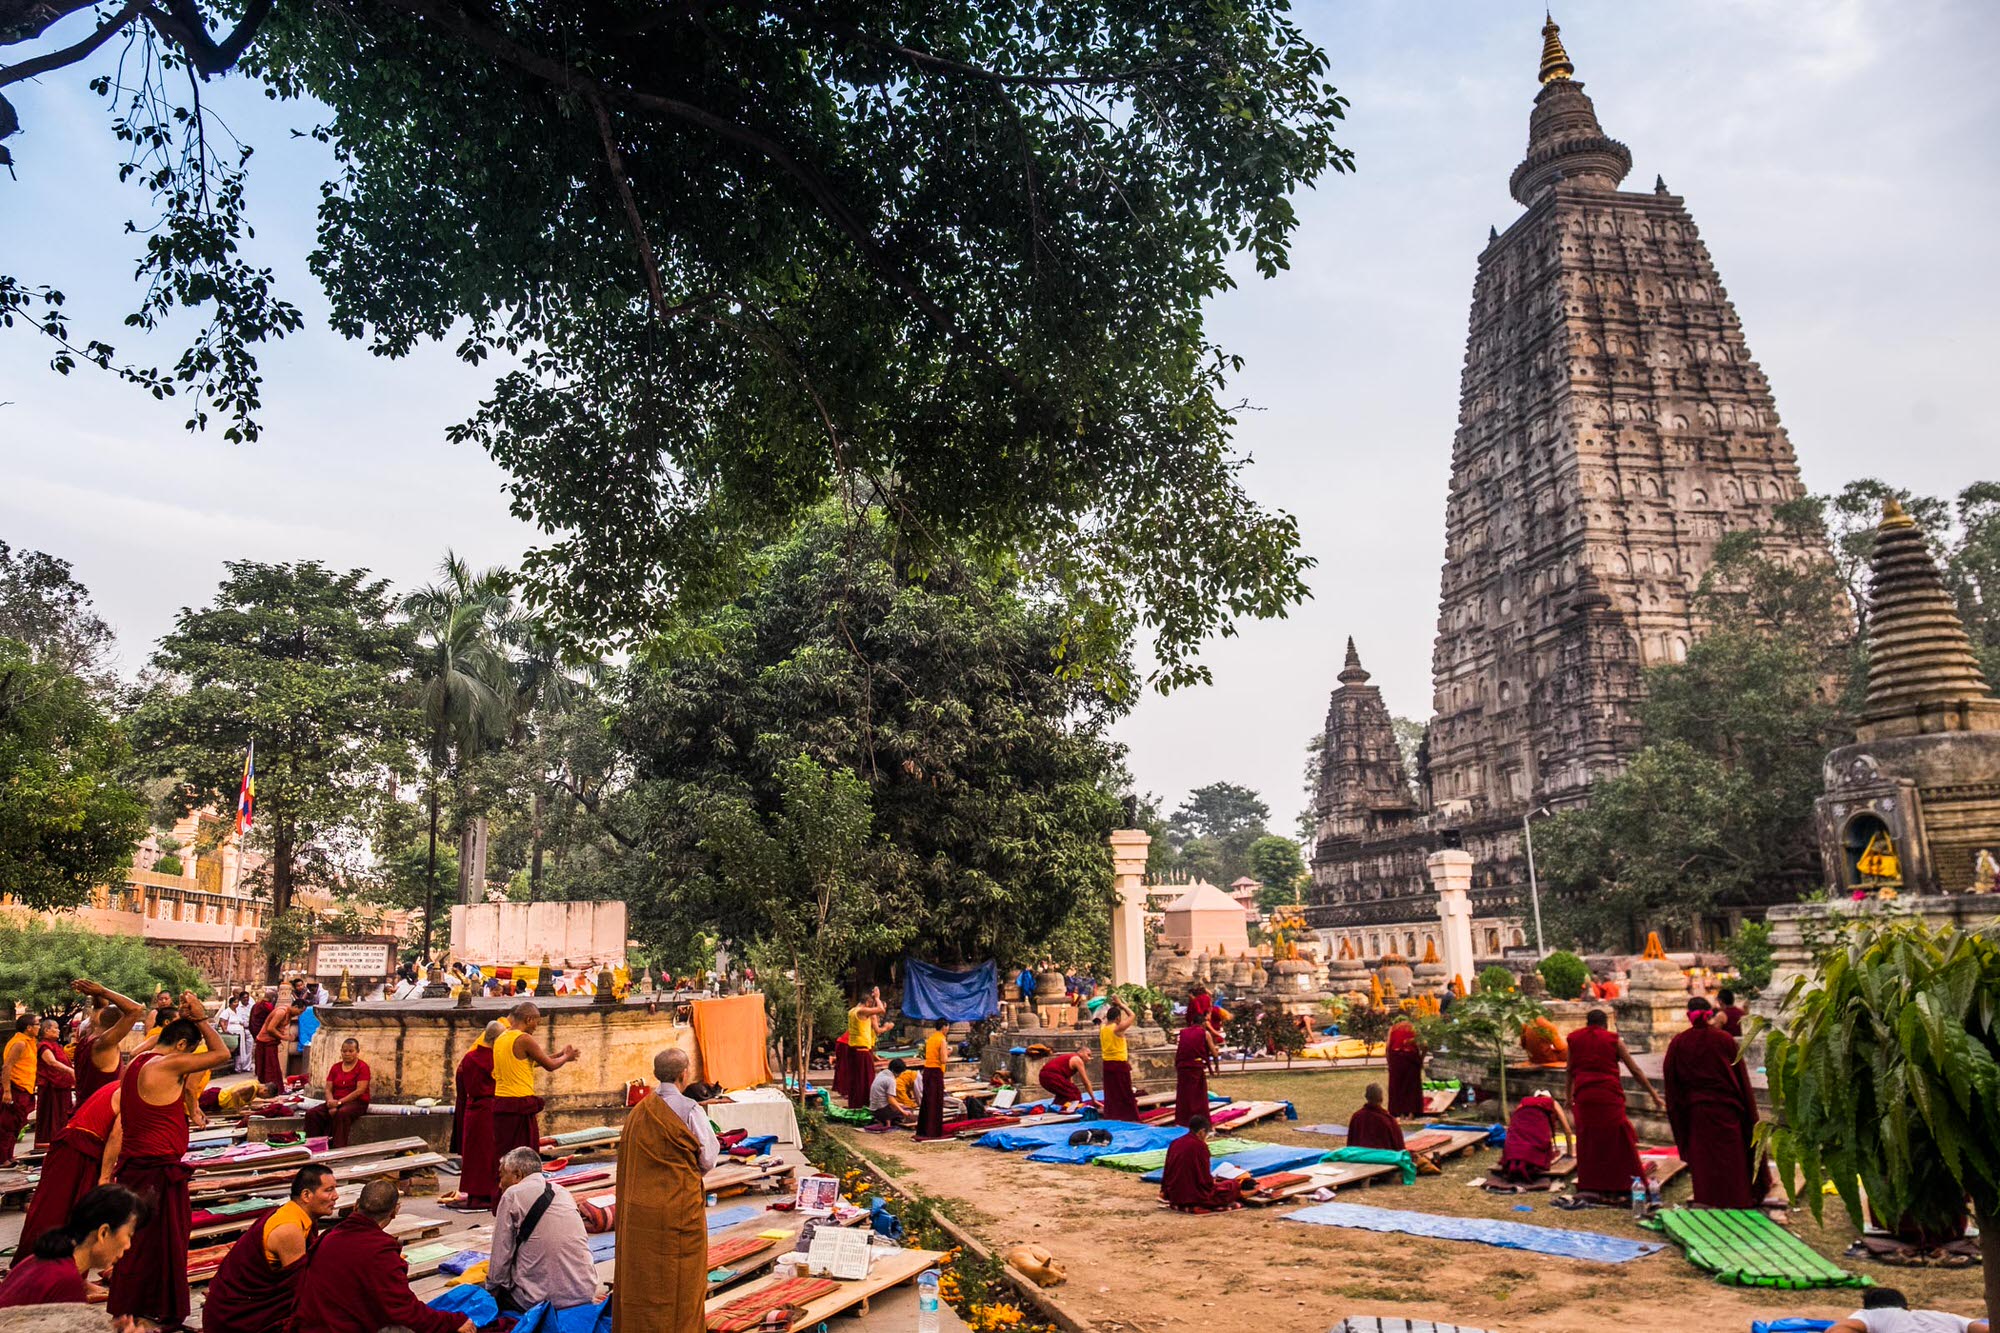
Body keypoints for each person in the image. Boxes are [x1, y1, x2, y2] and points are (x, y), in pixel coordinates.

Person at [107, 995, 233, 1328]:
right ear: (180, 1045)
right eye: (188, 1051)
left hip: (136, 1168)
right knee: (163, 1246)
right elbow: (223, 1054)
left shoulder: (137, 1061)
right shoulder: (168, 1063)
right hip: (156, 1173)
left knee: (136, 1243)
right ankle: (158, 1313)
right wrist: (203, 1019)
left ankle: (133, 1308)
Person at [614, 1047, 718, 1333]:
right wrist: (684, 1174)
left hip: (639, 1215)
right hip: (679, 1212)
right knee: (681, 1283)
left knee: (642, 1279)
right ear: (684, 1074)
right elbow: (708, 1157)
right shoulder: (690, 1109)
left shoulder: (639, 1112)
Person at [293, 1178, 471, 1333]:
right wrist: (453, 1322)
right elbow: (405, 1312)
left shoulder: (329, 1237)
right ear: (395, 1211)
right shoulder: (380, 1252)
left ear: (356, 1206)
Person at [201, 1163, 340, 1333]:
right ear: (306, 1195)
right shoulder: (289, 1228)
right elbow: (298, 1290)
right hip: (237, 1318)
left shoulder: (295, 1214)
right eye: (329, 1190)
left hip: (244, 1307)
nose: (336, 1196)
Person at [1663, 996, 1763, 1208]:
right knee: (1730, 1157)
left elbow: (1672, 1083)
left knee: (1705, 1159)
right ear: (1710, 1013)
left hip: (1697, 1111)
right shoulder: (1724, 1039)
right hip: (1727, 1109)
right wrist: (1749, 1112)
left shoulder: (1678, 1043)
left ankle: (1707, 1198)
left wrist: (1678, 1112)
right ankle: (1737, 1198)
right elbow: (1741, 1078)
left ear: (1687, 1015)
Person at [14, 1080, 122, 1262]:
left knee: (63, 1211)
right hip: (78, 1148)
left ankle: (69, 1270)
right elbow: (117, 1134)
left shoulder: (122, 1085)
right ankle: (38, 1266)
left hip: (80, 1145)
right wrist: (105, 1177)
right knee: (57, 1213)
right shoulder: (132, 1092)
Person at [1566, 1009, 1665, 1202]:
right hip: (1608, 1097)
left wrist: (1567, 1097)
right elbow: (1635, 1070)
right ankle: (1623, 1183)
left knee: (1589, 1140)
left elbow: (1569, 1070)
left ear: (1587, 1023)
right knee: (1618, 1139)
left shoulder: (1574, 1039)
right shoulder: (1613, 1040)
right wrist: (1654, 1095)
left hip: (1585, 1097)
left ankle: (1591, 1183)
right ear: (1606, 1024)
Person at [0, 1183, 149, 1310]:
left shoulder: (41, 1258)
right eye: (129, 1235)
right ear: (103, 1233)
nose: (128, 1245)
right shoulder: (66, 1281)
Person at [489, 1146, 598, 1313]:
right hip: (584, 1291)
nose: (499, 1184)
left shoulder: (512, 1194)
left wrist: (491, 1291)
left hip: (540, 1300)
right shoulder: (563, 1192)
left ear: (517, 1175)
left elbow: (500, 1258)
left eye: (501, 1176)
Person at [489, 1003, 580, 1183]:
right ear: (528, 1019)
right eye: (536, 1022)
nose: (536, 1027)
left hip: (502, 1103)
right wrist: (567, 1057)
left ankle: (502, 1194)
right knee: (523, 1159)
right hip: (518, 1103)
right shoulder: (524, 1039)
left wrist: (560, 1054)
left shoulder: (502, 1037)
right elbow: (549, 1065)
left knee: (505, 1154)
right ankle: (523, 1195)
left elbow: (534, 1061)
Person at [451, 1021, 502, 1210]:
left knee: (474, 1154)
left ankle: (474, 1193)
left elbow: (460, 1084)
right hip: (491, 1108)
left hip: (472, 1108)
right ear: (496, 1039)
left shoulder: (469, 1058)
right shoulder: (495, 1059)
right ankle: (487, 1193)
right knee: (488, 1154)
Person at [70, 980, 145, 1107]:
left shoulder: (85, 1036)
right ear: (120, 1026)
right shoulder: (104, 1044)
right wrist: (102, 991)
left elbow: (99, 1007)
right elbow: (136, 1009)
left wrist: (95, 993)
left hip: (83, 1107)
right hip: (100, 1112)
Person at [1158, 1114, 1250, 1213]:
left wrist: (1164, 1190)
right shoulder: (1200, 1146)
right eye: (1206, 1134)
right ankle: (1196, 1204)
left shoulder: (1175, 1143)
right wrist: (1213, 1182)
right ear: (1201, 1132)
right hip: (1194, 1196)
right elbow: (1205, 1182)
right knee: (1233, 1185)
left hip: (1174, 1194)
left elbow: (1167, 1170)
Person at [304, 1037, 372, 1147]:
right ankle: (314, 1145)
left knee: (342, 1114)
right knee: (312, 1114)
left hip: (356, 1102)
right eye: (344, 1051)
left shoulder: (363, 1067)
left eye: (351, 1051)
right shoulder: (335, 1068)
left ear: (357, 1052)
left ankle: (338, 1148)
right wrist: (331, 1102)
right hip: (335, 1101)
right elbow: (328, 1088)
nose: (347, 1054)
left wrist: (339, 1103)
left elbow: (360, 1090)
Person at [1828, 1287, 1990, 1333]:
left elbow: (1839, 1330)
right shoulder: (1945, 1316)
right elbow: (1985, 1329)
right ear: (1905, 1306)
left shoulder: (1869, 1315)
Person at [1496, 1088, 1573, 1183]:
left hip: (1514, 1144)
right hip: (1536, 1139)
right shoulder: (1552, 1102)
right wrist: (1569, 1154)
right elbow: (1567, 1130)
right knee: (1536, 1155)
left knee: (1519, 1150)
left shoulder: (1524, 1102)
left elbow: (1513, 1125)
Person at [0, 1015, 38, 1168]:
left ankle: (8, 1155)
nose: (39, 1027)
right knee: (7, 1125)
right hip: (15, 1088)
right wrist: (7, 1090)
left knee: (17, 1124)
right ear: (28, 1028)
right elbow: (7, 1067)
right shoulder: (20, 1043)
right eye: (37, 1024)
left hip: (24, 1088)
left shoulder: (29, 1042)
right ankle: (3, 1159)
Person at [842, 987, 887, 1111]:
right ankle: (863, 1105)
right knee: (865, 1080)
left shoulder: (852, 1011)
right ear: (868, 1003)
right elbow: (881, 1010)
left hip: (854, 1048)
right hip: (861, 1050)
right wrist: (877, 997)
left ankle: (855, 1104)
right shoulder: (861, 1011)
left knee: (855, 1079)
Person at [34, 1018, 75, 1150]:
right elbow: (51, 1062)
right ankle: (49, 1143)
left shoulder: (56, 1045)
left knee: (63, 1116)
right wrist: (70, 1071)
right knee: (51, 1118)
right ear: (46, 1030)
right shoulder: (44, 1046)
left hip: (62, 1086)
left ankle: (61, 1142)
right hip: (51, 1087)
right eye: (55, 1028)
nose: (58, 1030)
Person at [1097, 999, 1140, 1122]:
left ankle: (1112, 1116)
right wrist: (1121, 1004)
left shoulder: (1102, 1028)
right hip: (1119, 1064)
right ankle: (1128, 1117)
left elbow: (1103, 1018)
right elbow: (1132, 1015)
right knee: (1124, 1093)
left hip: (1107, 1064)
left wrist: (1112, 1007)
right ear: (1117, 1018)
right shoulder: (1117, 1029)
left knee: (1111, 1094)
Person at [1173, 1010, 1217, 1127]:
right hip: (1195, 1067)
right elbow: (1214, 1052)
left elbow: (1181, 1050)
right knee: (1198, 1096)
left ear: (1192, 1023)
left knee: (1184, 1095)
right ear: (1203, 1024)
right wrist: (1216, 1067)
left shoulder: (1182, 1033)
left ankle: (1182, 1120)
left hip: (1183, 1067)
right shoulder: (1205, 1033)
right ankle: (1200, 1121)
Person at [255, 993, 305, 1094]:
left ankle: (276, 1089)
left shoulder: (288, 1014)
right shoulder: (281, 1012)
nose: (299, 1014)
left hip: (272, 1042)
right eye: (299, 1011)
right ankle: (266, 1090)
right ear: (295, 1006)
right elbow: (270, 1028)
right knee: (269, 1069)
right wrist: (284, 1037)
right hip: (265, 1041)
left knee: (274, 1068)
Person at [1345, 1083, 1405, 1151]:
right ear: (1381, 1099)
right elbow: (1400, 1150)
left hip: (1359, 1158)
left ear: (1366, 1097)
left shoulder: (1356, 1117)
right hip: (1383, 1160)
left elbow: (1350, 1146)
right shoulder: (1388, 1121)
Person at [1385, 1018, 1425, 1119]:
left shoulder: (1393, 1029)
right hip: (1410, 1058)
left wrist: (1389, 1062)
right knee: (1412, 1085)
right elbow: (1424, 1045)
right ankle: (1412, 1112)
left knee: (1397, 1085)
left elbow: (1388, 1047)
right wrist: (1421, 1059)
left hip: (1396, 1058)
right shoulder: (1414, 1029)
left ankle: (1400, 1112)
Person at [916, 1018, 949, 1140]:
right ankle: (933, 1130)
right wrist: (947, 1053)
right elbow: (943, 1060)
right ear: (944, 1027)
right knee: (935, 1101)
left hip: (928, 1070)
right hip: (936, 1071)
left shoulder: (930, 1038)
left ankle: (923, 1129)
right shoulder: (942, 1039)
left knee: (927, 1100)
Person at [248, 987, 280, 1089]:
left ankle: (259, 1073)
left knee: (259, 1056)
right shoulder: (268, 1006)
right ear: (272, 998)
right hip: (264, 1033)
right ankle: (265, 1077)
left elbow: (252, 1019)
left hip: (256, 1031)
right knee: (266, 1059)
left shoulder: (256, 1005)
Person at [868, 1059, 910, 1128]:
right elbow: (890, 1099)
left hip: (873, 1109)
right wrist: (902, 1111)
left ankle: (887, 1119)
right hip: (881, 1110)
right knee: (907, 1111)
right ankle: (888, 1119)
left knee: (901, 1106)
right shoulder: (890, 1080)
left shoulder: (882, 1073)